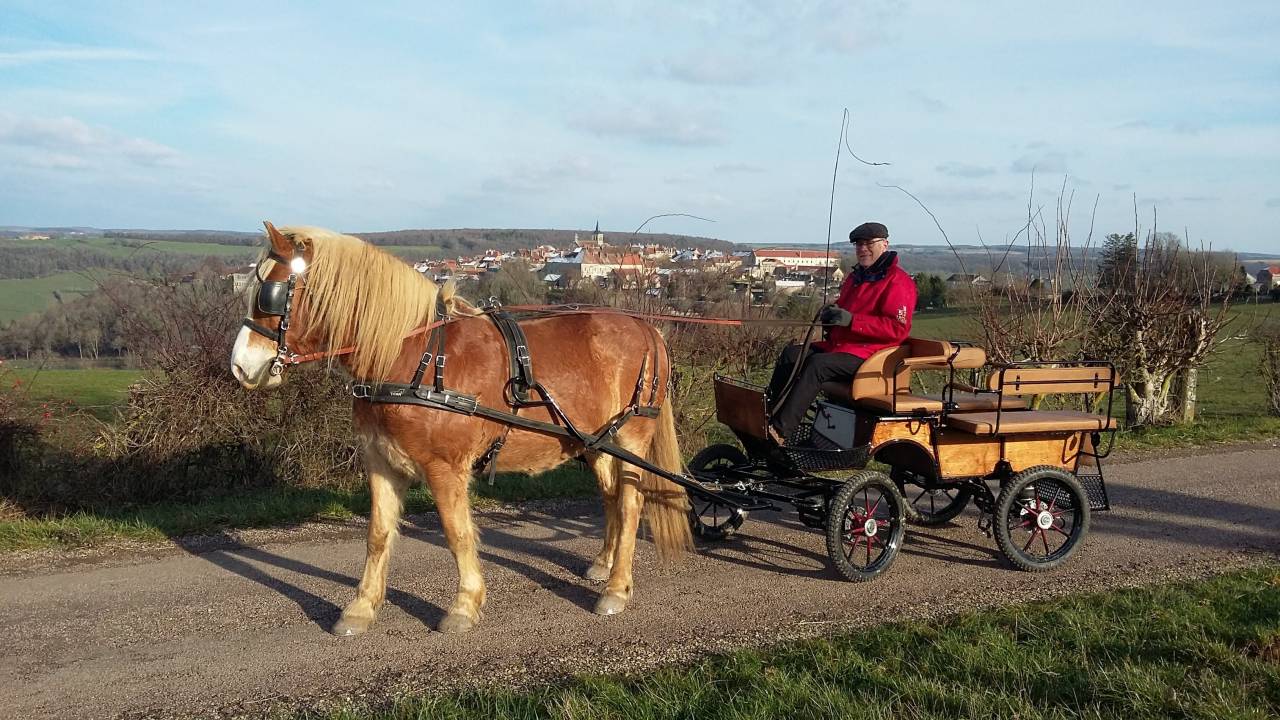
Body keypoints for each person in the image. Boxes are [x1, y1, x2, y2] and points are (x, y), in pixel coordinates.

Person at [765, 221, 917, 443]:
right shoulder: (857, 277)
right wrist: (833, 315)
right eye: (858, 244)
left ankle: (781, 431)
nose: (862, 249)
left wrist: (852, 321)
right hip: (843, 347)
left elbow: (897, 329)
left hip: (873, 356)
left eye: (868, 243)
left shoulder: (899, 282)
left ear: (885, 244)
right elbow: (844, 311)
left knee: (818, 366)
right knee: (792, 355)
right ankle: (767, 415)